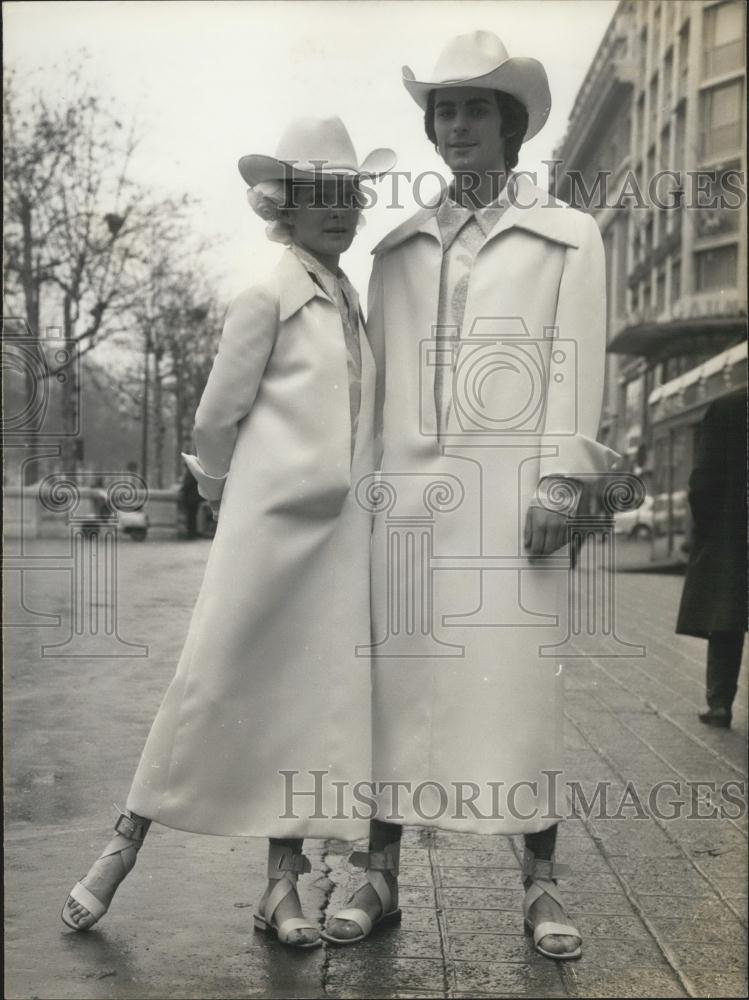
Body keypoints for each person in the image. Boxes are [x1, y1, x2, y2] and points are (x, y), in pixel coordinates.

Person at [61, 117, 396, 949]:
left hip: (334, 548)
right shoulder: (268, 292)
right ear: (283, 205)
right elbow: (216, 417)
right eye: (321, 196)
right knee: (207, 686)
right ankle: (119, 849)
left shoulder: (345, 296)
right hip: (266, 538)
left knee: (302, 708)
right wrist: (220, 494)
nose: (341, 211)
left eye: (350, 196)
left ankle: (280, 889)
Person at [322, 32, 618, 960]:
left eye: (475, 109)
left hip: (511, 499)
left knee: (517, 688)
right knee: (394, 686)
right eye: (444, 109)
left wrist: (564, 479)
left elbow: (577, 362)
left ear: (510, 124)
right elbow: (370, 388)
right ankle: (379, 875)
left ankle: (538, 884)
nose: (456, 126)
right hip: (405, 504)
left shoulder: (566, 235)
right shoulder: (397, 249)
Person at [676, 387, 747, 728]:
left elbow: (702, 482)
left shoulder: (728, 405)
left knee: (727, 617)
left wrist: (711, 529)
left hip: (733, 531)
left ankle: (719, 703)